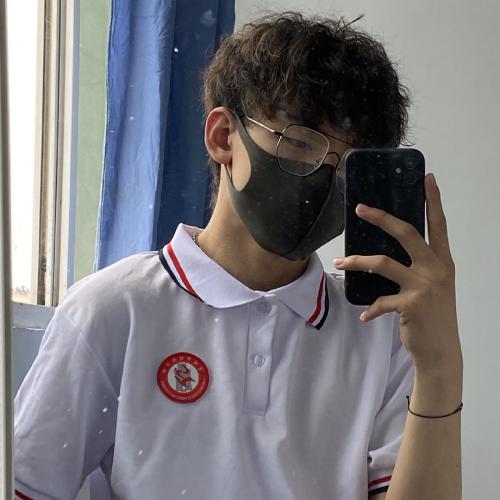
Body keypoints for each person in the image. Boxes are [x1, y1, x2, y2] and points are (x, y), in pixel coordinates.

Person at [14, 11, 418, 500]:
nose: (324, 175)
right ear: (224, 137)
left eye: (350, 163)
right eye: (299, 142)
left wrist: (442, 362)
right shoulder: (115, 308)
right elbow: (27, 485)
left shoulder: (379, 329)